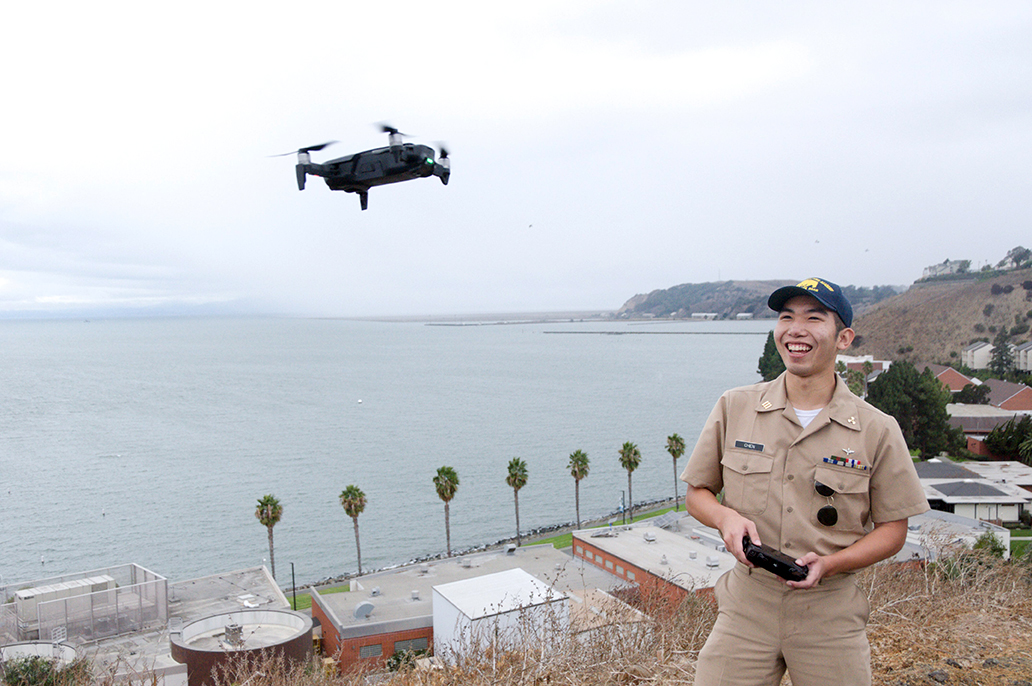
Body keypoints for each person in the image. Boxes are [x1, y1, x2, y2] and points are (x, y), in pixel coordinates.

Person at [681, 277, 928, 686]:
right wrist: (725, 518)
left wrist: (830, 564)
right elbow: (697, 494)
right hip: (747, 603)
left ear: (843, 337)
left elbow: (893, 530)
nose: (795, 329)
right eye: (786, 317)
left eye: (813, 318)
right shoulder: (735, 406)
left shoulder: (877, 429)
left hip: (829, 612)